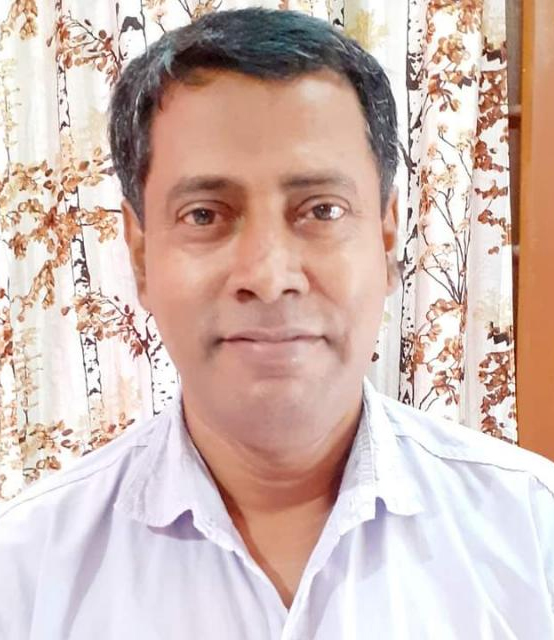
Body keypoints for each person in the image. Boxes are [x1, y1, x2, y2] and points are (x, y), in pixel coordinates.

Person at [1, 7, 553, 639]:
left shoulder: (533, 539)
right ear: (141, 255)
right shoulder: (26, 575)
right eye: (205, 214)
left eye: (321, 210)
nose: (268, 276)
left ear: (386, 236)